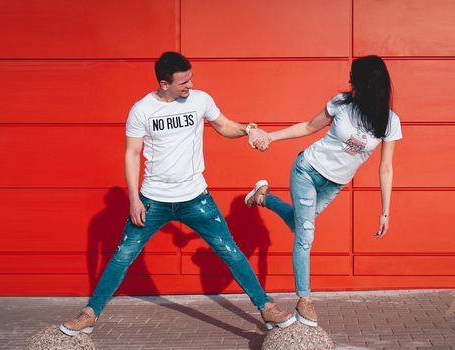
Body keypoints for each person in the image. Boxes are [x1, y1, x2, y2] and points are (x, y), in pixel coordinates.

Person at [59, 51, 296, 336]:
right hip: (153, 199)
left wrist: (248, 129)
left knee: (230, 251)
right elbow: (132, 154)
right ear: (163, 84)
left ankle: (266, 307)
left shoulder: (200, 100)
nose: (190, 86)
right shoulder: (142, 110)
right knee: (123, 256)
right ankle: (90, 313)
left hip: (196, 198)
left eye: (191, 79)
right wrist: (134, 199)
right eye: (183, 82)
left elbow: (224, 126)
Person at [245, 55, 403, 327]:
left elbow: (385, 168)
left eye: (353, 77)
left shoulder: (389, 121)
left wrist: (385, 211)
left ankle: (263, 197)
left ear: (366, 83)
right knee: (306, 236)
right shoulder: (341, 102)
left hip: (334, 185)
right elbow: (308, 126)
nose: (349, 81)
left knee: (299, 224)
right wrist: (270, 136)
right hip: (307, 170)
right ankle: (304, 299)